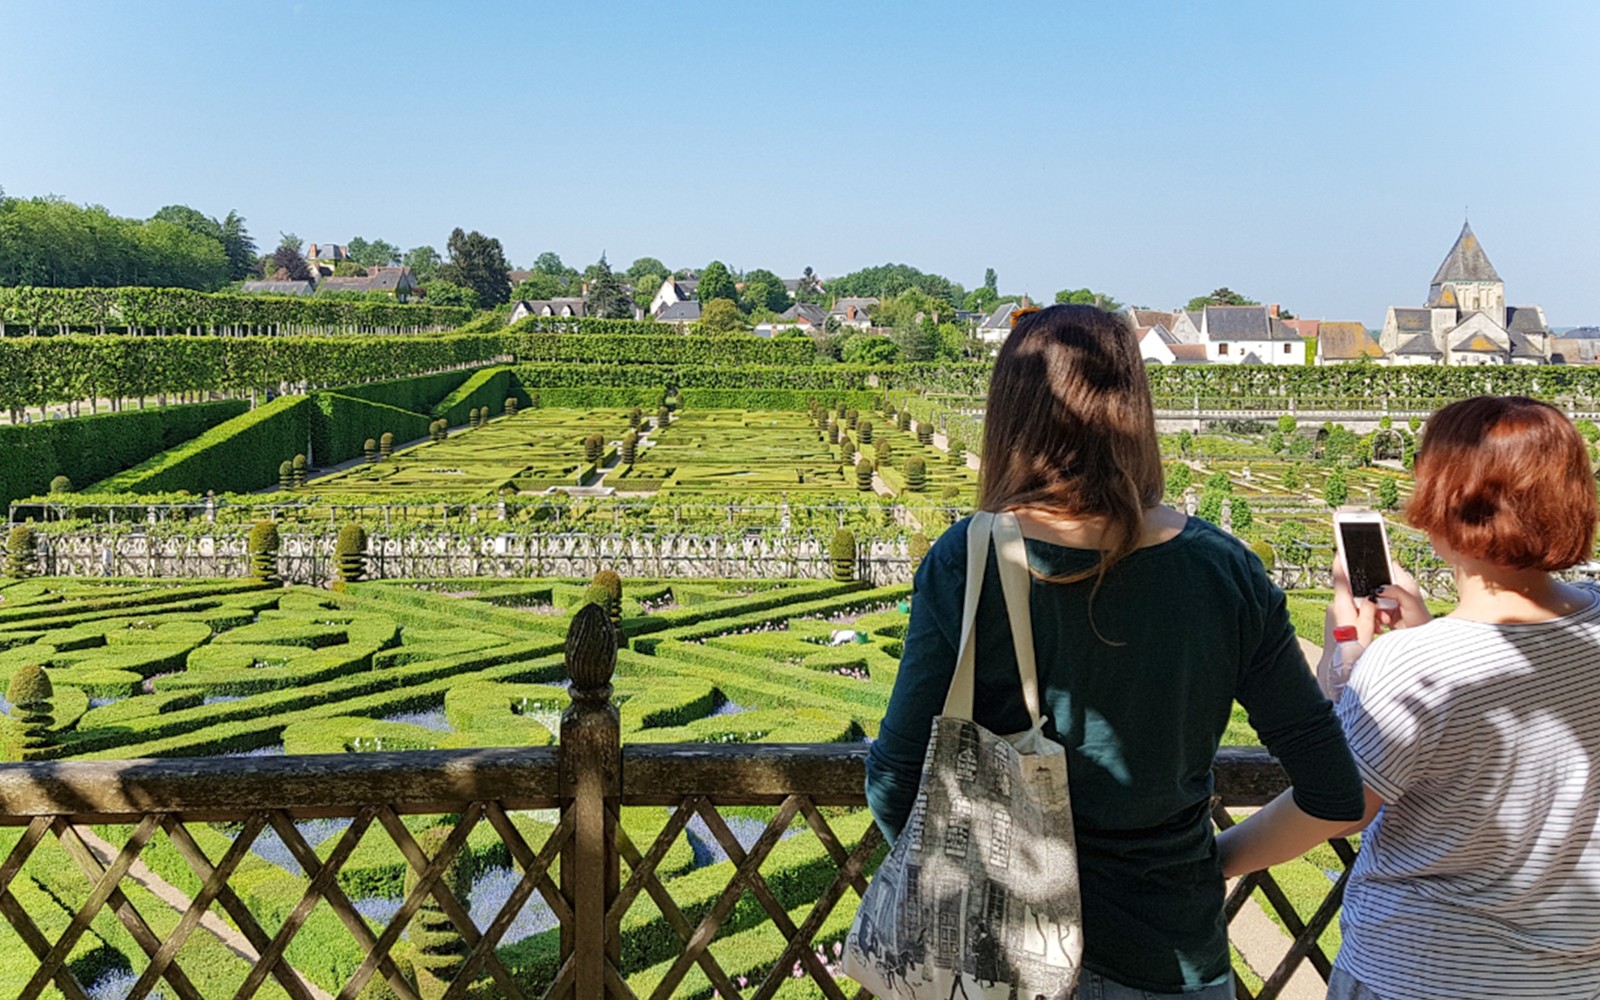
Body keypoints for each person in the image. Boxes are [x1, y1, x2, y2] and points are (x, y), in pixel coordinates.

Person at [864, 304, 1366, 998]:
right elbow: (1336, 796)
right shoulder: (1224, 568)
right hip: (1175, 961)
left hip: (1009, 966)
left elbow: (892, 779)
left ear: (1009, 415)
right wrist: (1204, 863)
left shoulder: (970, 558)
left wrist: (983, 883)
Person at [1218, 395, 1600, 999]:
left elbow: (1336, 803)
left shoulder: (1413, 667)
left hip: (1422, 970)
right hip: (1570, 977)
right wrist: (1424, 635)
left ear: (1445, 503)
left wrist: (1214, 860)